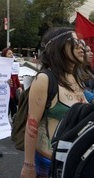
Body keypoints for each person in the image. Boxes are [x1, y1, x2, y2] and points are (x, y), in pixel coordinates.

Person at [21, 27, 89, 178]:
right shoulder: (45, 79)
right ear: (59, 46)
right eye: (74, 41)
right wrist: (28, 166)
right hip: (48, 166)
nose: (81, 46)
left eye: (80, 42)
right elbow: (32, 124)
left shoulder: (76, 78)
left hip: (72, 164)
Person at [1, 47, 22, 117]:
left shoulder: (14, 66)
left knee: (12, 110)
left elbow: (16, 78)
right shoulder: (1, 66)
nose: (11, 55)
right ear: (4, 56)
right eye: (9, 54)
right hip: (6, 92)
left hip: (13, 91)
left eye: (12, 53)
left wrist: (19, 87)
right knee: (13, 109)